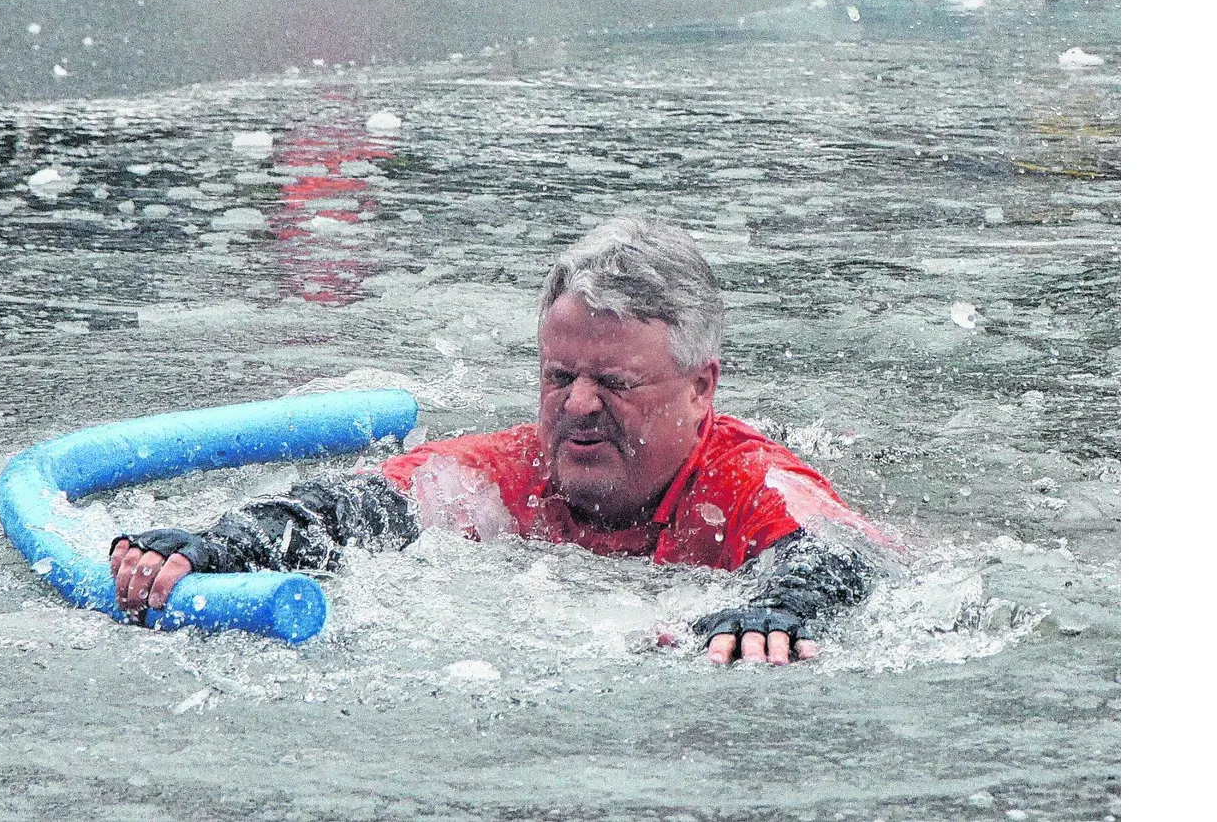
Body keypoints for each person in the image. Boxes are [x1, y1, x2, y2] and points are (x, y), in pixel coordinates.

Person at [109, 219, 889, 665]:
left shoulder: (750, 483)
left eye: (614, 383)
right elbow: (347, 512)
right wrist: (220, 545)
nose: (577, 407)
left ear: (701, 389)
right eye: (558, 377)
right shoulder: (504, 473)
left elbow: (840, 558)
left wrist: (776, 614)